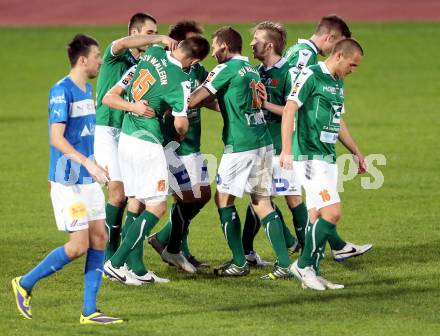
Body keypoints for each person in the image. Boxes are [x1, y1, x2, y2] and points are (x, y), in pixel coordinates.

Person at [12, 34, 122, 324]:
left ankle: (89, 311)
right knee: (78, 246)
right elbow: (56, 138)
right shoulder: (62, 91)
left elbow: (83, 135)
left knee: (100, 237)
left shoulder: (88, 90)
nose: (101, 60)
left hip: (87, 178)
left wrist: (96, 163)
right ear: (83, 59)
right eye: (97, 56)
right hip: (67, 181)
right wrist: (87, 162)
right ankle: (24, 283)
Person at [103, 36, 210, 282]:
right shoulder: (181, 81)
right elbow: (181, 124)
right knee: (158, 206)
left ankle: (135, 268)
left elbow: (113, 94)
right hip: (148, 144)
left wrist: (159, 38)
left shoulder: (152, 53)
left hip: (128, 139)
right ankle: (116, 262)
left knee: (136, 201)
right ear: (194, 60)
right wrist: (178, 134)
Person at [189, 27, 293, 278]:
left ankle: (238, 261)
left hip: (241, 146)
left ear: (224, 46)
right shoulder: (250, 70)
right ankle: (284, 264)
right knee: (262, 202)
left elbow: (192, 100)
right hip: (263, 142)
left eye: (214, 47)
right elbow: (230, 102)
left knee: (223, 200)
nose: (213, 53)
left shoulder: (225, 69)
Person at [281, 38, 371, 290]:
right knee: (333, 212)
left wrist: (356, 151)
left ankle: (313, 273)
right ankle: (302, 264)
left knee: (316, 214)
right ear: (339, 55)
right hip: (308, 156)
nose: (352, 71)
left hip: (327, 156)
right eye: (352, 65)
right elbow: (289, 110)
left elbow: (337, 120)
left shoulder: (337, 83)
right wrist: (286, 151)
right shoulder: (311, 75)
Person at [94, 12, 177, 265]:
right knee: (118, 195)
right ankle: (109, 256)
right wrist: (162, 37)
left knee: (137, 199)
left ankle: (131, 262)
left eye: (156, 33)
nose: (153, 39)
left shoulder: (147, 62)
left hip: (133, 134)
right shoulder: (115, 54)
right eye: (149, 33)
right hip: (108, 130)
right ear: (134, 33)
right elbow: (118, 44)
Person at [148, 20, 213, 271]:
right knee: (184, 197)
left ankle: (166, 241)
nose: (196, 51)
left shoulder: (196, 70)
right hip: (172, 146)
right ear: (178, 44)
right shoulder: (167, 71)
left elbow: (207, 95)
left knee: (202, 195)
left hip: (193, 145)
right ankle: (175, 249)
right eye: (191, 43)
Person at [240, 21, 305, 272]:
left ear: (268, 45)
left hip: (279, 148)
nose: (251, 44)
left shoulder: (288, 73)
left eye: (255, 39)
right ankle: (254, 249)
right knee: (258, 199)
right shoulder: (256, 71)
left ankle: (303, 250)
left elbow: (294, 114)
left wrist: (266, 105)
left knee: (286, 198)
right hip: (258, 146)